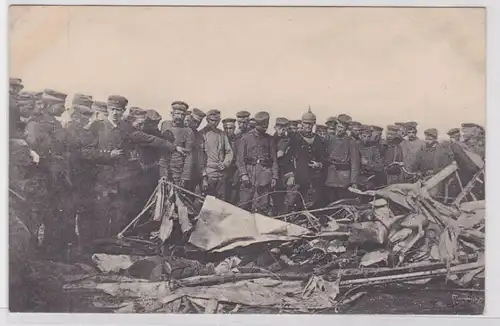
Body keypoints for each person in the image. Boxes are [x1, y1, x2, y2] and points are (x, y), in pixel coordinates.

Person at [25, 89, 73, 260]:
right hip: (42, 178)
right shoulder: (35, 123)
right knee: (37, 220)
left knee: (55, 219)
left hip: (57, 179)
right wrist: (54, 160)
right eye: (61, 105)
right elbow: (35, 151)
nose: (64, 108)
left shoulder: (55, 123)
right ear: (50, 105)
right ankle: (35, 260)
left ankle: (51, 257)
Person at [66, 94, 96, 250]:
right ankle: (71, 247)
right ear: (74, 114)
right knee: (70, 215)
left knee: (85, 214)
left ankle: (82, 247)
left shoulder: (86, 132)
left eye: (88, 114)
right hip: (70, 179)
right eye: (84, 114)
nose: (87, 118)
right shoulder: (68, 130)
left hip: (85, 178)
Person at [283, 109, 326, 210]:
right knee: (291, 204)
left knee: (311, 206)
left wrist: (319, 164)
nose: (308, 126)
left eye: (311, 124)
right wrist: (290, 175)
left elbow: (324, 157)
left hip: (314, 179)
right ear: (302, 123)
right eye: (306, 123)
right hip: (297, 178)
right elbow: (287, 158)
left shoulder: (318, 139)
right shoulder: (295, 138)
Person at [236, 111, 278, 214]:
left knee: (263, 204)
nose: (265, 129)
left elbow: (274, 160)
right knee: (244, 203)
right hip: (249, 172)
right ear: (257, 125)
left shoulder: (269, 139)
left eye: (266, 126)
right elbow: (240, 159)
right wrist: (243, 174)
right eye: (262, 127)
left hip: (264, 174)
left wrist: (274, 176)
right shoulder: (246, 138)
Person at [324, 114, 360, 203]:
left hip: (343, 177)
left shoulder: (351, 141)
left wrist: (353, 181)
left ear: (346, 129)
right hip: (330, 174)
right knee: (329, 199)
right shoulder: (330, 139)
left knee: (341, 200)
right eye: (338, 127)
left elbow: (355, 162)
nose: (339, 129)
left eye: (342, 128)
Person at [200, 109, 234, 200]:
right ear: (207, 120)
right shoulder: (202, 134)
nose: (214, 123)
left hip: (221, 174)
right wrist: (204, 177)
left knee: (221, 201)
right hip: (209, 174)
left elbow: (229, 151)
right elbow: (200, 157)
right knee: (208, 201)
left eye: (217, 120)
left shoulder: (222, 134)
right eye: (212, 120)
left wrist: (225, 164)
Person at [159, 101, 194, 187]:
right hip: (163, 167)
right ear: (172, 113)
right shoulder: (165, 125)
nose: (179, 117)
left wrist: (185, 177)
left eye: (182, 114)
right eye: (177, 113)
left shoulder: (188, 131)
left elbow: (188, 155)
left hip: (177, 170)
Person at [414, 128, 454, 199]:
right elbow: (417, 163)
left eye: (430, 137)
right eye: (426, 136)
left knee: (432, 197)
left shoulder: (442, 151)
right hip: (422, 178)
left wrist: (434, 171)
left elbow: (446, 167)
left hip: (436, 179)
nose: (427, 138)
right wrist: (418, 171)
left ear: (435, 138)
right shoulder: (422, 149)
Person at [271, 117, 297, 215]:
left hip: (286, 170)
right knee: (276, 196)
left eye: (284, 128)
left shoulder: (288, 140)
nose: (282, 130)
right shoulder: (271, 139)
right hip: (275, 170)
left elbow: (282, 154)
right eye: (280, 127)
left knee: (288, 196)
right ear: (275, 127)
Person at [186, 108, 206, 193]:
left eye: (199, 122)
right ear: (189, 118)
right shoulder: (182, 130)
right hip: (178, 171)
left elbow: (200, 156)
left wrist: (203, 175)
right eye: (194, 121)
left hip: (193, 173)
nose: (196, 124)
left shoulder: (198, 136)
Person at [358, 125, 384, 190]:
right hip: (356, 178)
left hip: (369, 178)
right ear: (360, 135)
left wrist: (367, 163)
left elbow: (380, 167)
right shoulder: (354, 146)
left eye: (369, 136)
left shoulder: (374, 149)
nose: (366, 139)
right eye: (364, 136)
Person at [222, 117, 239, 204]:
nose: (228, 131)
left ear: (234, 128)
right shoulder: (220, 140)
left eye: (230, 128)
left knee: (234, 194)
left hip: (235, 171)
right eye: (226, 128)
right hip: (223, 170)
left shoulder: (239, 140)